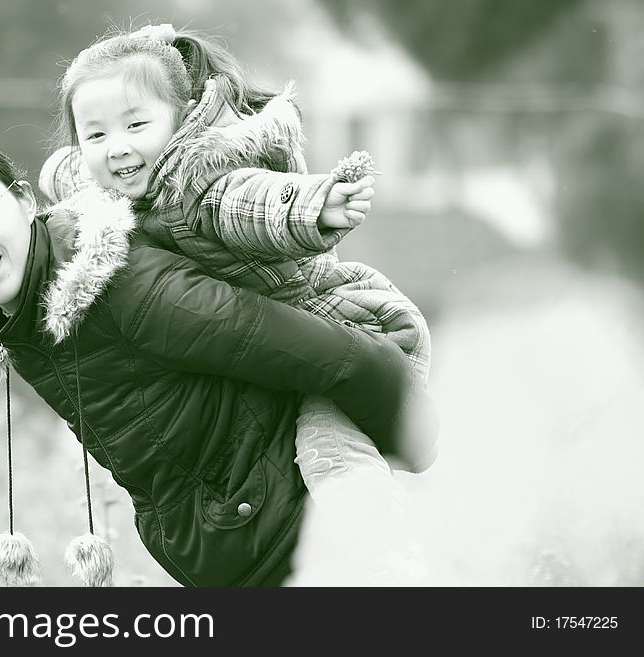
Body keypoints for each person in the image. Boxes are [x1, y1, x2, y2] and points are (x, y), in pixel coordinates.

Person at [0, 131, 437, 586]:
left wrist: (412, 454)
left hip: (315, 550)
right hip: (242, 565)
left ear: (24, 201)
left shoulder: (126, 290)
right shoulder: (18, 318)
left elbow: (352, 362)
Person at [39, 25, 435, 498]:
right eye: (96, 134)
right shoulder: (112, 181)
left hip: (354, 328)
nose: (117, 146)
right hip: (291, 354)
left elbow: (257, 206)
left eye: (135, 126)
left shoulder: (202, 184)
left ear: (181, 119)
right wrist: (40, 184)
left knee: (327, 454)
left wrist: (316, 206)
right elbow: (71, 173)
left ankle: (379, 557)